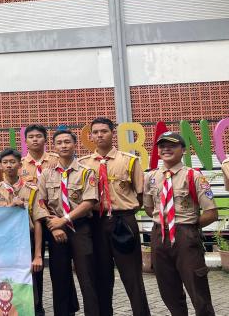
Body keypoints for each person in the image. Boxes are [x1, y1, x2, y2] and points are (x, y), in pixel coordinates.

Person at [78, 117, 150, 316]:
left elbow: (140, 194)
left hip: (123, 221)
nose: (99, 135)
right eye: (95, 132)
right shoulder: (83, 164)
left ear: (112, 133)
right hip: (96, 222)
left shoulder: (130, 160)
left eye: (104, 131)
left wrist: (124, 210)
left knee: (132, 276)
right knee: (101, 276)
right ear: (91, 136)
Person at [144, 132, 217, 316]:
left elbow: (211, 213)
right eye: (162, 146)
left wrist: (189, 226)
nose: (166, 149)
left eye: (172, 145)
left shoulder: (194, 176)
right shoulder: (151, 177)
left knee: (197, 288)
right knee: (168, 288)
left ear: (183, 150)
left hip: (185, 235)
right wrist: (164, 222)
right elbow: (149, 207)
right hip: (159, 235)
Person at [37, 130, 99, 316]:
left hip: (80, 228)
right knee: (60, 279)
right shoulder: (46, 174)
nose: (63, 146)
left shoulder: (86, 172)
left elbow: (90, 201)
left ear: (74, 144)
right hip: (56, 231)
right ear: (54, 147)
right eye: (59, 143)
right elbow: (40, 203)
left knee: (88, 277)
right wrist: (53, 226)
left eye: (67, 142)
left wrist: (64, 219)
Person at [0, 149, 47, 316]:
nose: (9, 165)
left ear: (20, 164)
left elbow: (38, 222)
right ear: (1, 166)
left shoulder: (32, 189)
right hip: (1, 245)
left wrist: (38, 255)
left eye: (12, 162)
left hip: (26, 242)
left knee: (33, 285)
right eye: (5, 162)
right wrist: (10, 207)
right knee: (4, 283)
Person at [19, 124, 61, 316]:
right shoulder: (19, 165)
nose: (35, 139)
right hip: (31, 221)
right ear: (25, 141)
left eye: (38, 136)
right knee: (34, 266)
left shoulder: (56, 160)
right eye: (31, 137)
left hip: (54, 219)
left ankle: (64, 308)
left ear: (45, 139)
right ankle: (37, 307)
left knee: (59, 267)